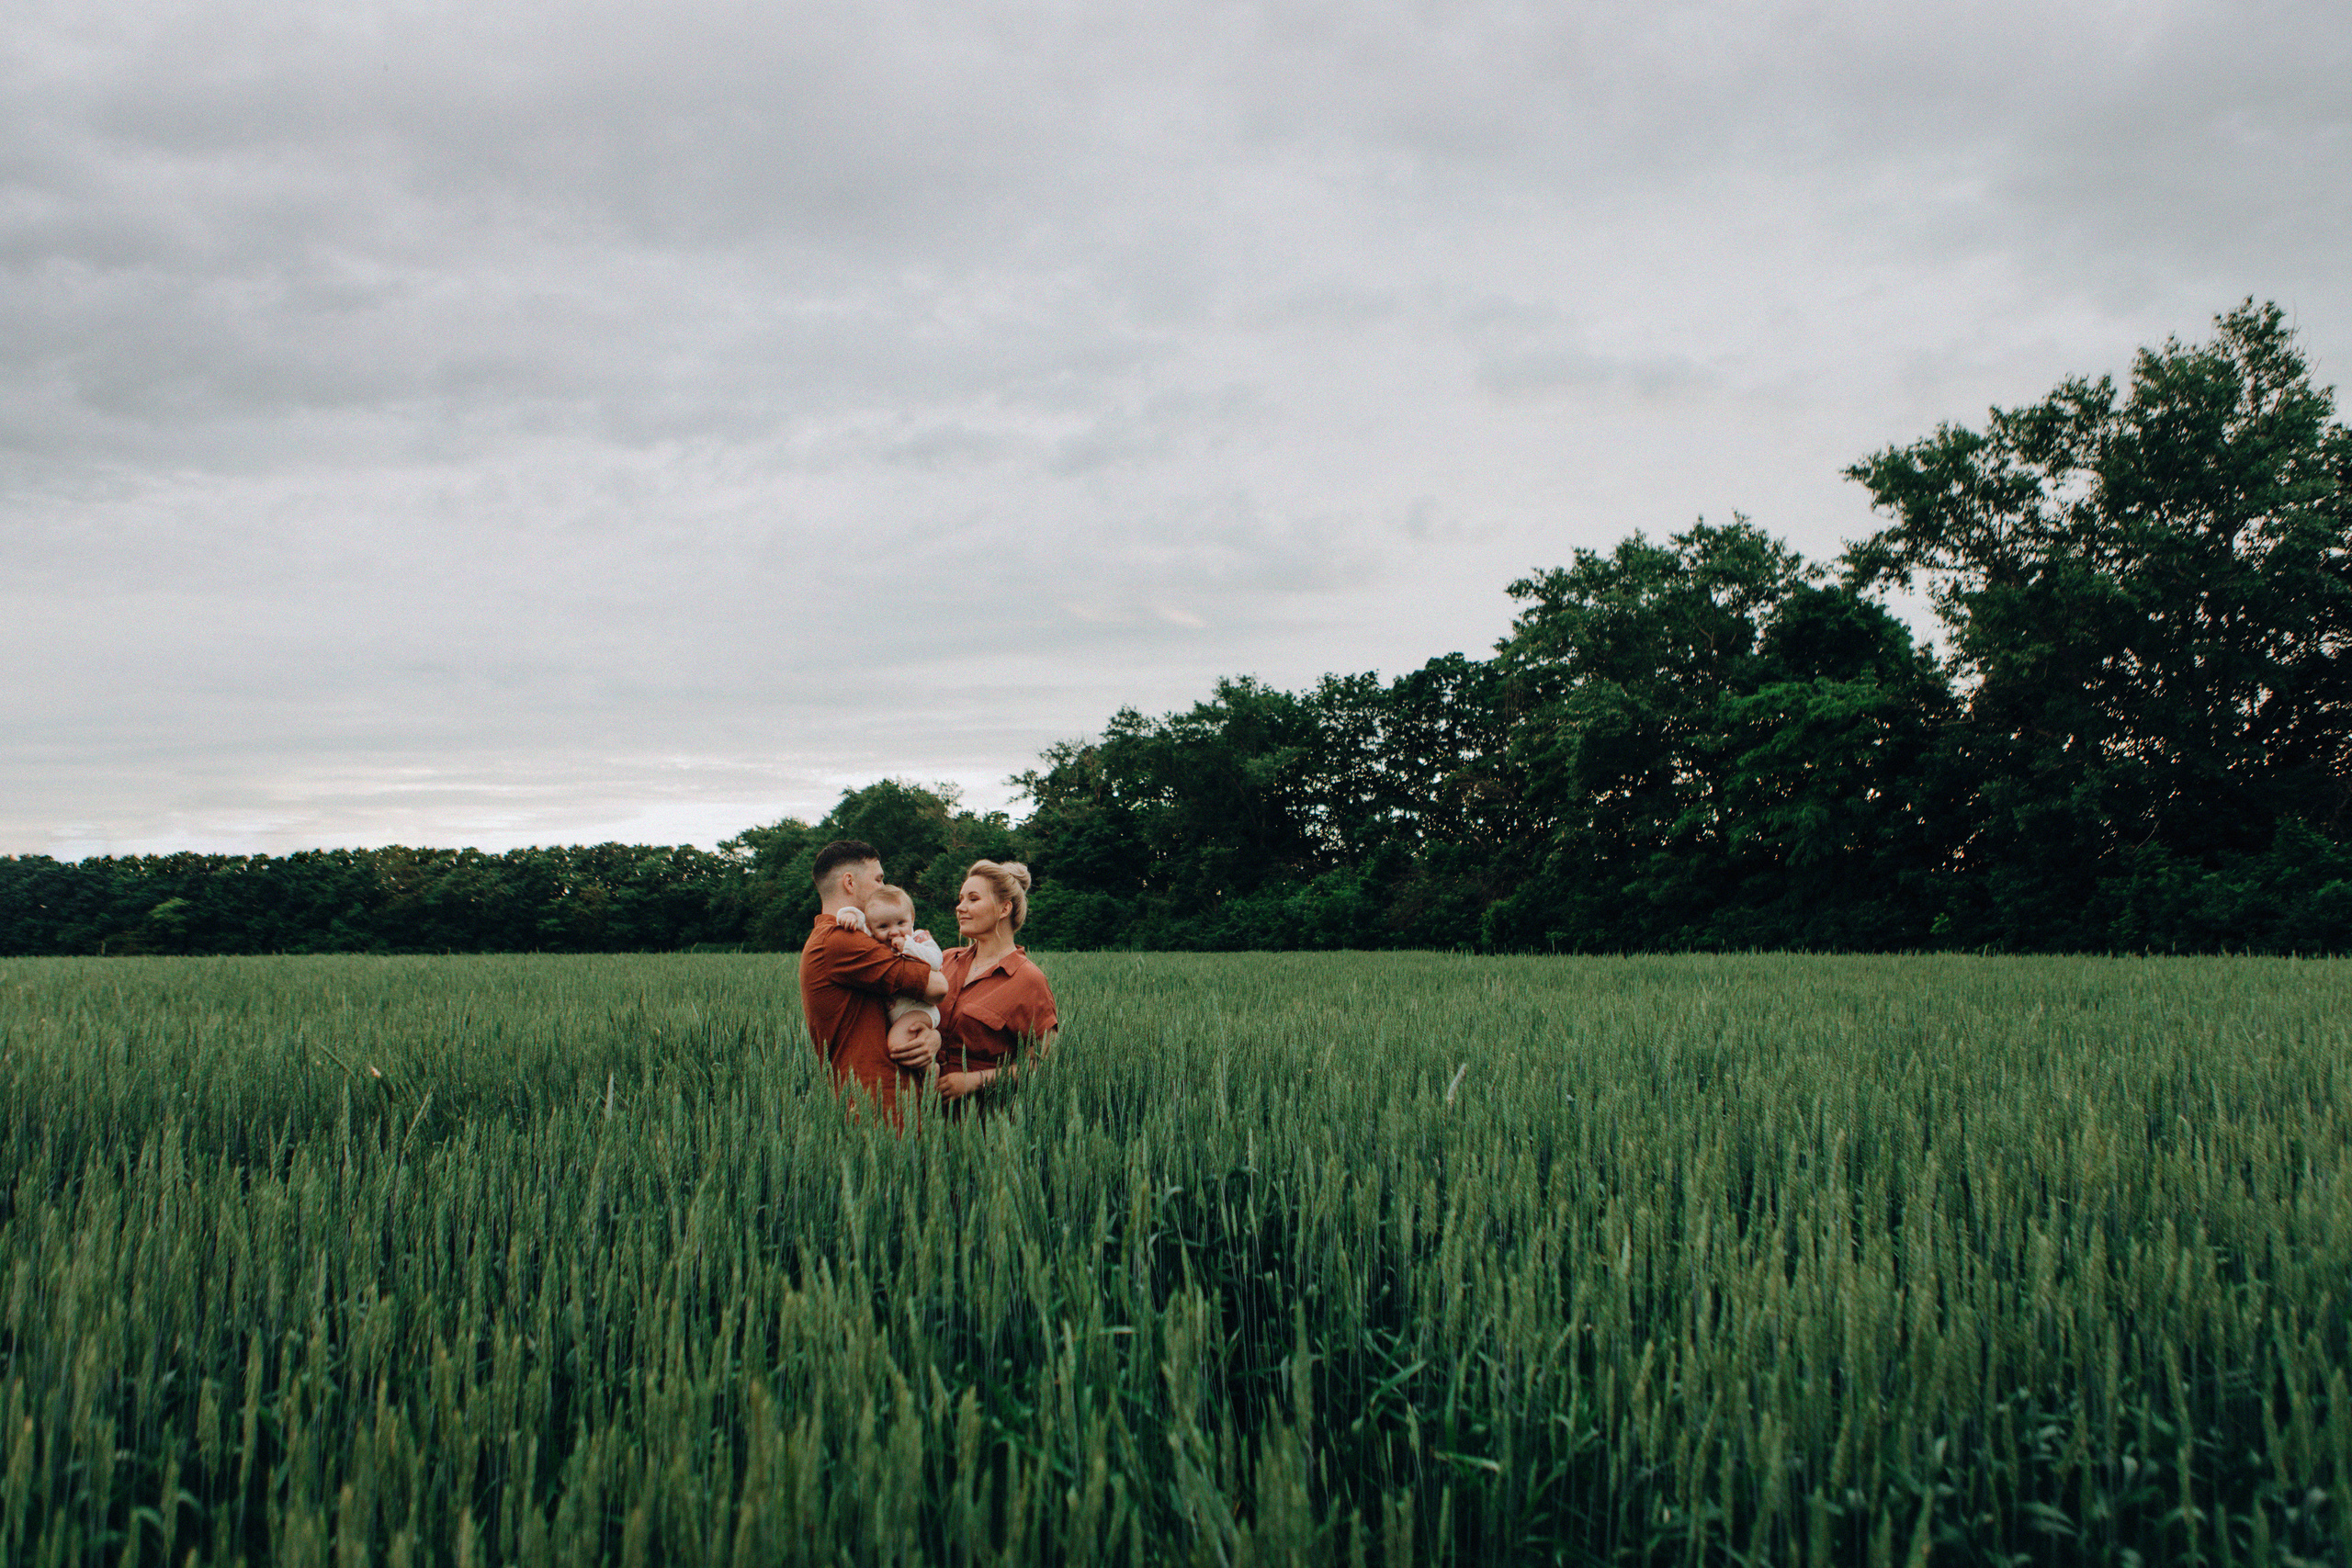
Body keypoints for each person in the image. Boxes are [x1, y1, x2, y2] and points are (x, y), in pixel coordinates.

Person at [799, 840, 947, 1115]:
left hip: (888, 1096)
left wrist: (931, 1037)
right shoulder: (839, 940)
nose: (883, 888)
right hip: (876, 1103)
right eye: (878, 879)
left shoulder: (855, 937)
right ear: (849, 883)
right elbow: (938, 986)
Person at [936, 860, 1057, 1102]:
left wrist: (975, 1080)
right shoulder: (945, 960)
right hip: (922, 1113)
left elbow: (1041, 1063)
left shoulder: (1028, 980)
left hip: (982, 1118)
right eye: (960, 899)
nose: (960, 907)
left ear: (1004, 909)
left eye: (973, 899)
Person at [831, 883, 946, 1081]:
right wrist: (849, 916)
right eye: (883, 926)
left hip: (919, 1010)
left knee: (896, 1044)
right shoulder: (875, 942)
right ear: (872, 929)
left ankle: (930, 1071)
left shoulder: (919, 938)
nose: (894, 932)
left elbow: (936, 960)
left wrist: (908, 947)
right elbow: (858, 924)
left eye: (901, 923)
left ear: (912, 920)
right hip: (897, 1012)